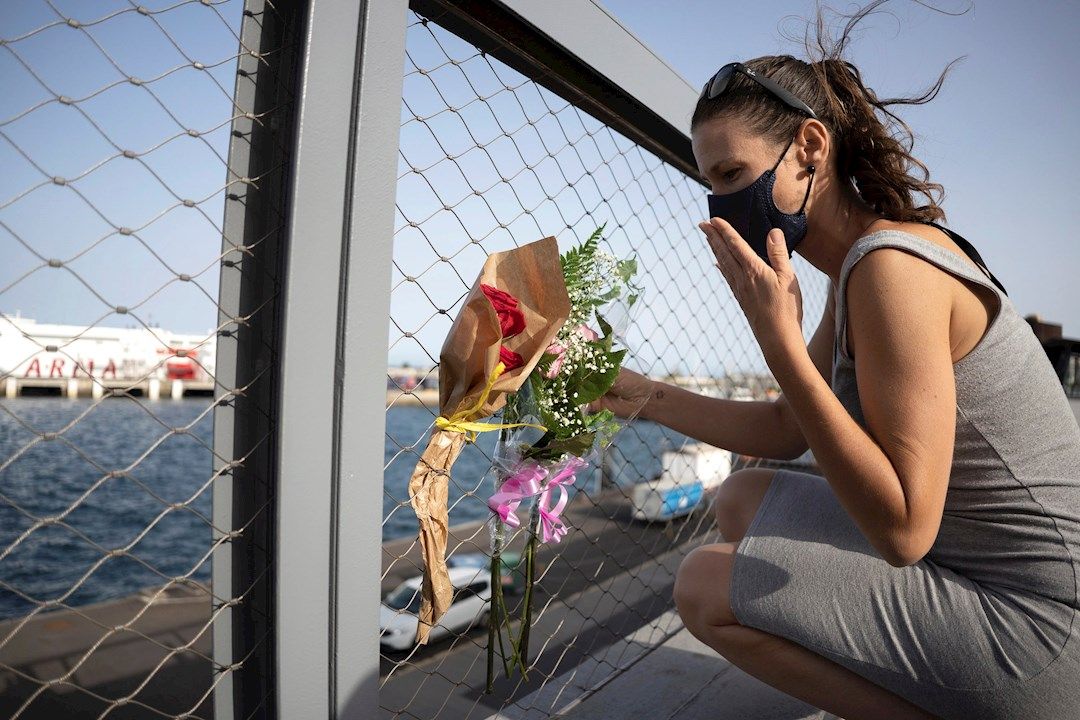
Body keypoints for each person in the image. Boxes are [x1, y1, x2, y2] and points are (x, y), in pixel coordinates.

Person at [588, 2, 1080, 718]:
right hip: (972, 570)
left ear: (810, 147)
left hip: (1042, 631)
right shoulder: (858, 268)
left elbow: (904, 531)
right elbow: (787, 426)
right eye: (711, 183)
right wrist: (638, 394)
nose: (721, 203)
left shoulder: (892, 270)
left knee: (702, 586)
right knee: (740, 498)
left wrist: (778, 342)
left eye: (733, 173)